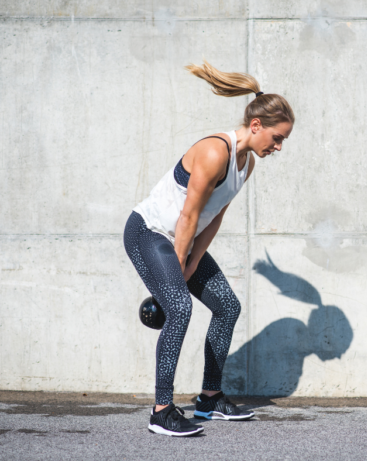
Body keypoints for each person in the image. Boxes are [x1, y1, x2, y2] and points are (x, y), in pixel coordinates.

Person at [123, 60, 294, 437]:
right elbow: (187, 217)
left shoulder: (246, 163)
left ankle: (210, 398)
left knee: (227, 306)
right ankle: (162, 410)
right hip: (149, 233)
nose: (279, 146)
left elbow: (213, 216)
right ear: (255, 126)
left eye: (283, 140)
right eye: (277, 137)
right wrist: (179, 271)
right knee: (179, 307)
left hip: (180, 239)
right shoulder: (216, 151)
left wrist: (192, 261)